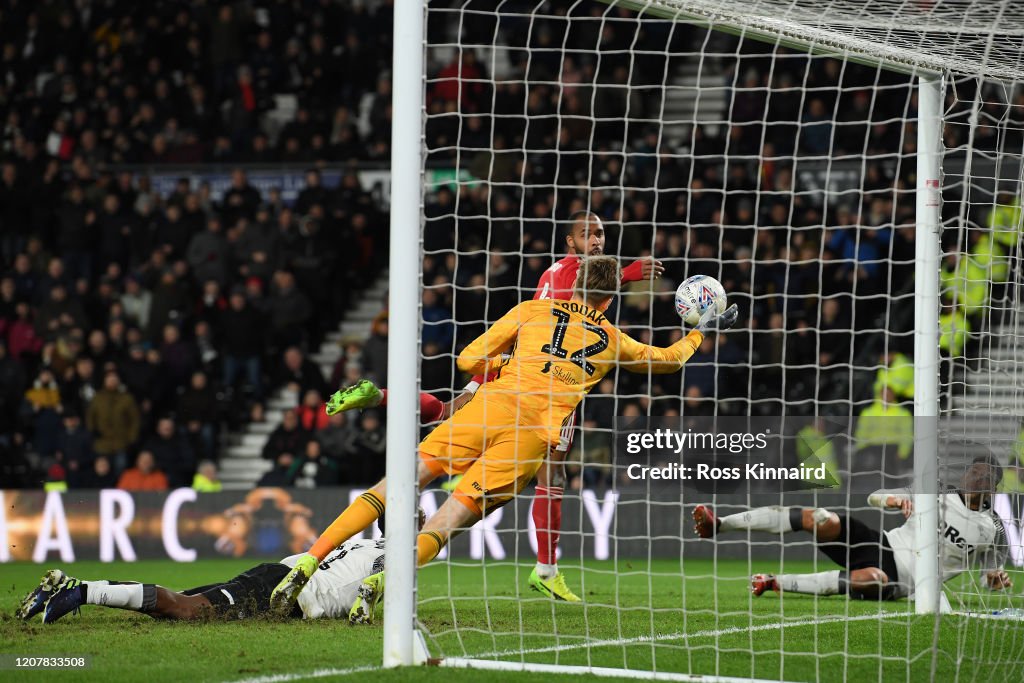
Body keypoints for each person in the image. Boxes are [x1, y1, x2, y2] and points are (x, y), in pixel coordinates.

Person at [271, 256, 737, 621]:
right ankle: (382, 583)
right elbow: (670, 360)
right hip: (532, 436)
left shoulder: (532, 310)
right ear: (610, 300)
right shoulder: (613, 338)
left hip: (489, 408)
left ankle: (308, 562)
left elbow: (467, 361)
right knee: (449, 519)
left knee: (397, 484)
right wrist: (699, 331)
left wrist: (509, 367)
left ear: (574, 286)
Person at [327, 211, 665, 600]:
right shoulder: (568, 275)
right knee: (549, 477)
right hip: (538, 382)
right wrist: (628, 272)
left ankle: (384, 398)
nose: (597, 241)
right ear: (570, 242)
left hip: (509, 367)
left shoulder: (562, 272)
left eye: (601, 234)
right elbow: (555, 324)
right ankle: (546, 569)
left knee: (451, 412)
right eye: (587, 235)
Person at [691, 455, 1012, 600]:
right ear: (965, 475)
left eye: (984, 478)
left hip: (902, 581)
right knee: (821, 517)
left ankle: (774, 582)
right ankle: (720, 525)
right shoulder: (934, 494)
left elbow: (987, 574)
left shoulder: (990, 529)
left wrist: (993, 580)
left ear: (992, 488)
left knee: (873, 579)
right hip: (879, 543)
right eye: (974, 473)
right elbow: (875, 495)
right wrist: (895, 501)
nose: (976, 479)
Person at [20, 538, 388, 624]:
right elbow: (372, 588)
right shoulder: (395, 555)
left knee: (174, 604)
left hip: (278, 574)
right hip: (285, 593)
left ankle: (72, 583)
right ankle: (81, 592)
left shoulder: (361, 538)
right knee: (188, 610)